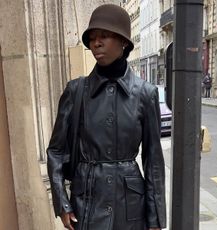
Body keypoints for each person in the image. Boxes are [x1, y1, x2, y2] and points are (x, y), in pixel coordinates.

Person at [47, 4, 166, 230]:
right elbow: (56, 151)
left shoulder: (145, 94)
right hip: (87, 205)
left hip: (131, 208)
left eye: (104, 36)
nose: (96, 43)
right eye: (92, 38)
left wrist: (155, 218)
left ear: (123, 42)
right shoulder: (76, 91)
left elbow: (154, 162)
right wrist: (62, 202)